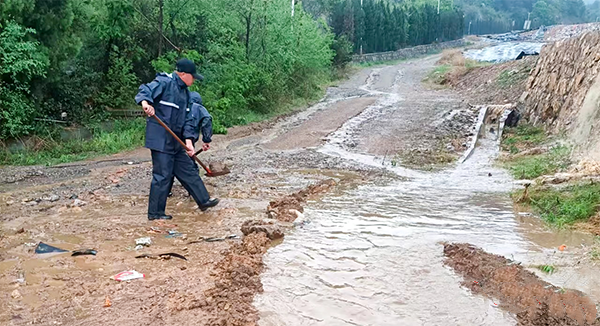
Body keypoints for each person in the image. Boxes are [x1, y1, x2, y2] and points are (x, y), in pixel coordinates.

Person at [135, 58, 219, 220]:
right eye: (192, 76)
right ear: (182, 74)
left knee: (188, 170)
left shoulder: (186, 94)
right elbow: (144, 90)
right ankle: (156, 214)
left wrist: (188, 143)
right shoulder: (164, 82)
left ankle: (203, 200)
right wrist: (146, 104)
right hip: (160, 139)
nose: (194, 80)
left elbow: (188, 121)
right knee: (163, 176)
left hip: (176, 141)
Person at [168, 91, 213, 196]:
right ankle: (194, 191)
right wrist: (206, 139)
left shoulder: (179, 106)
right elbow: (207, 120)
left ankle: (166, 191)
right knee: (189, 164)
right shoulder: (199, 108)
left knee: (170, 162)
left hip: (172, 138)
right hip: (188, 139)